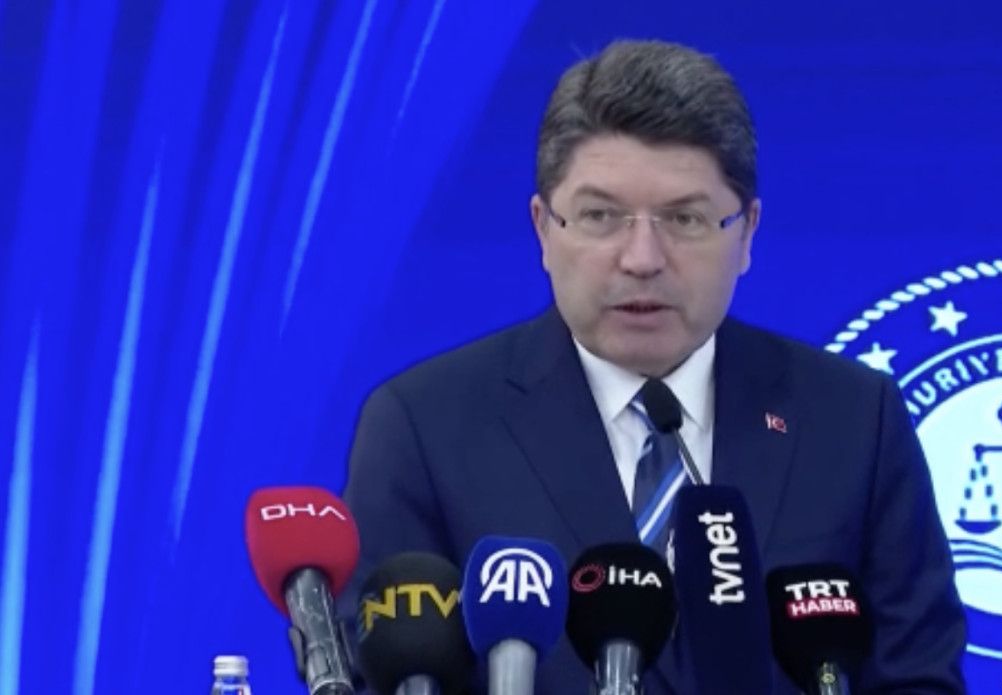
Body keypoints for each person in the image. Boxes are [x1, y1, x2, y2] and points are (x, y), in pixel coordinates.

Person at [341, 39, 966, 693]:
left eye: (685, 218)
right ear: (544, 229)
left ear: (747, 233)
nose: (642, 258)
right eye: (600, 216)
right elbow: (382, 674)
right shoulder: (424, 426)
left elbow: (918, 678)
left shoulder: (853, 419)